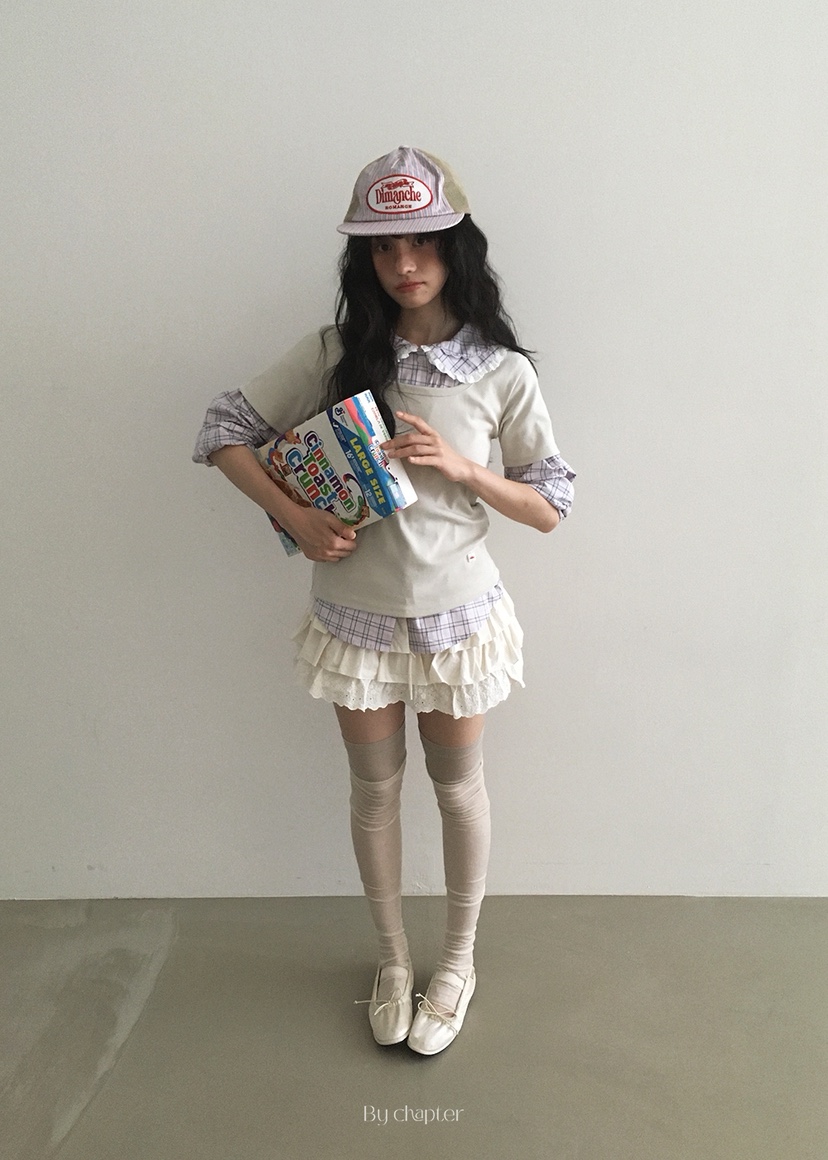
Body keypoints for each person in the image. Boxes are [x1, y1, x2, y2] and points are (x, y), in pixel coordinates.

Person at [193, 146, 575, 1055]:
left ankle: (459, 962)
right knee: (374, 792)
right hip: (355, 619)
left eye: (422, 242)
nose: (404, 263)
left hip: (457, 619)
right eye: (383, 246)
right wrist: (293, 513)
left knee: (457, 789)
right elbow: (223, 429)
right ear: (364, 258)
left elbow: (550, 505)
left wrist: (464, 468)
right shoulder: (335, 353)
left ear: (456, 246)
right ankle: (395, 962)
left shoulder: (500, 371)